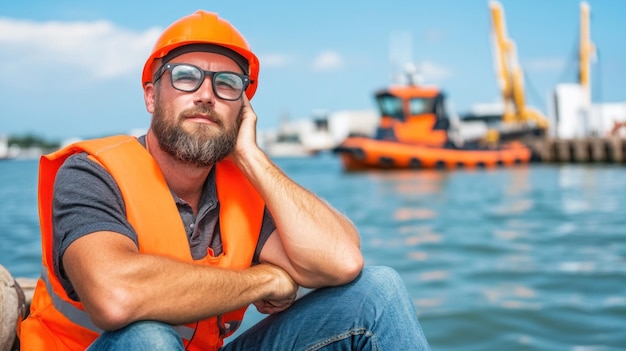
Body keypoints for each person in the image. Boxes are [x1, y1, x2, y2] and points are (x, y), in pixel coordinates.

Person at [19, 10, 431, 351]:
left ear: (243, 109)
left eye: (227, 84)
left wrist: (252, 157)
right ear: (150, 96)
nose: (206, 94)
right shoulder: (93, 174)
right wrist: (263, 279)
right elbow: (115, 296)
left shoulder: (240, 191)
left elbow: (342, 262)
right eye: (185, 77)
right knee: (149, 337)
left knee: (379, 290)